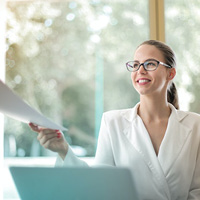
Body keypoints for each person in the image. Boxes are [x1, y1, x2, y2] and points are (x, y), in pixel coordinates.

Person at [29, 40, 200, 200]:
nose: (140, 70)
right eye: (135, 64)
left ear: (171, 73)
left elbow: (197, 190)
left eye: (150, 64)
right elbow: (100, 185)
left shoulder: (195, 125)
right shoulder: (112, 122)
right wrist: (63, 150)